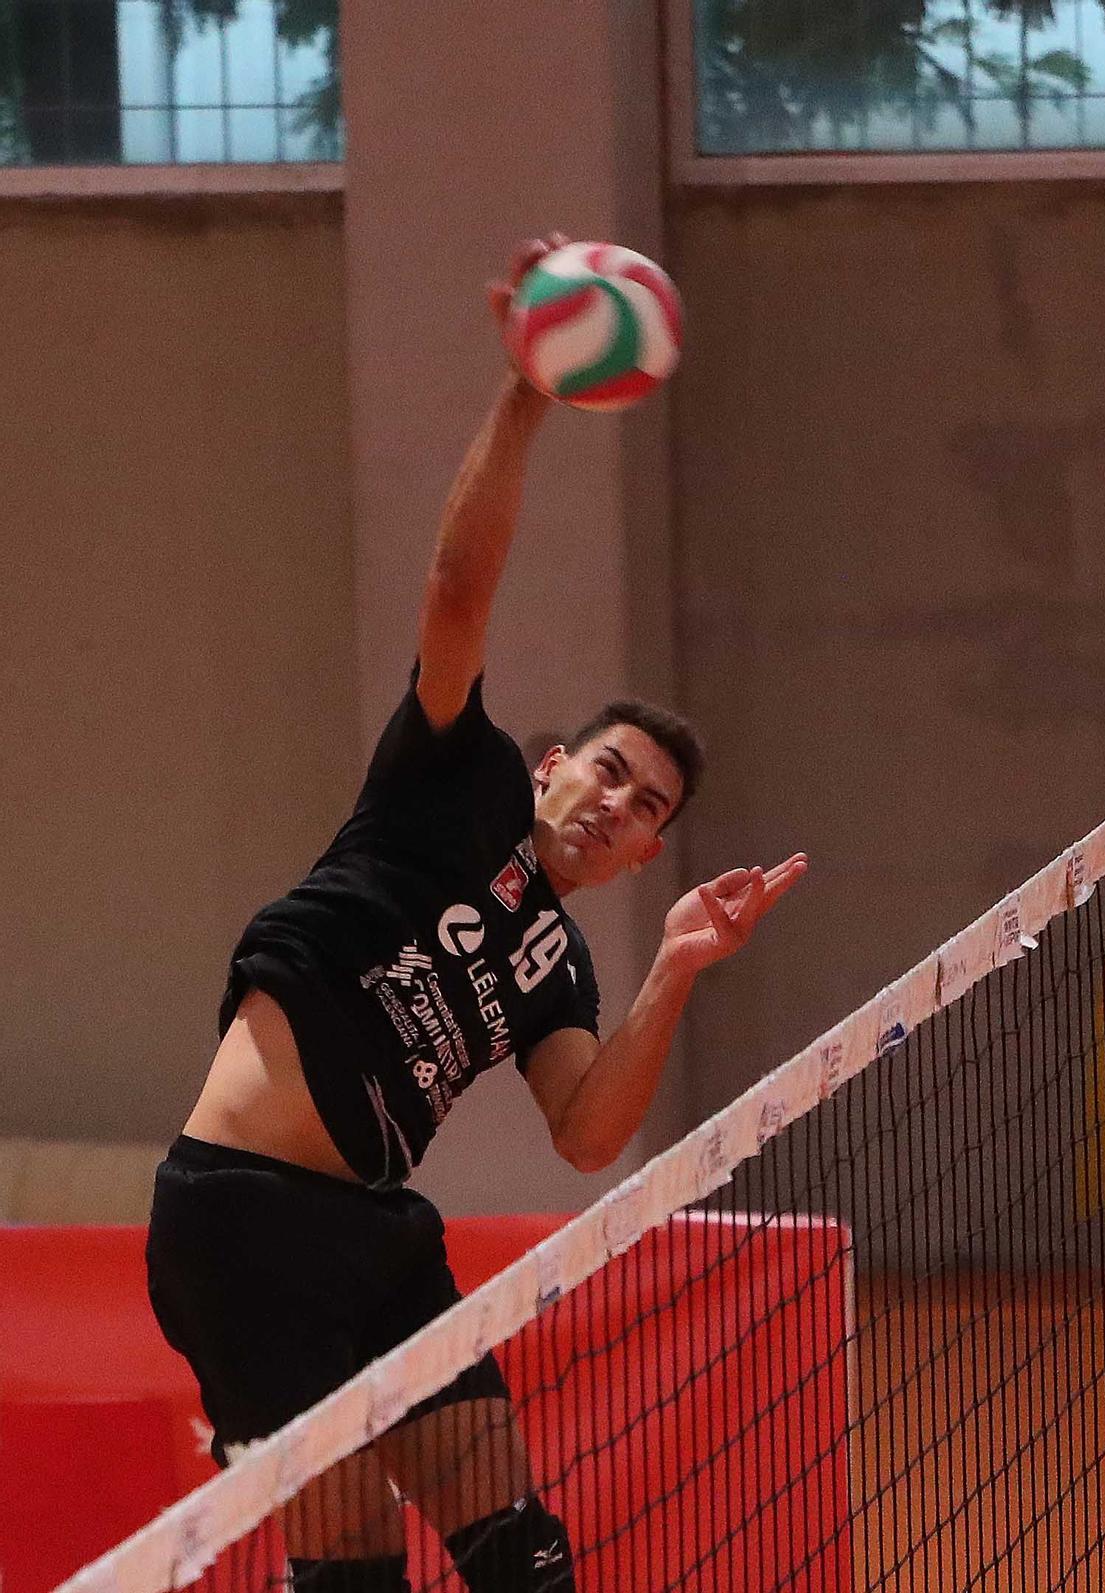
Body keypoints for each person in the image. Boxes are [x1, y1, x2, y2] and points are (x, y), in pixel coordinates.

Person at [144, 238, 808, 1593]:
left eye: (647, 811)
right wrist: (526, 396)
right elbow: (457, 595)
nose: (619, 806)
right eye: (611, 770)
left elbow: (586, 1136)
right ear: (556, 763)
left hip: (380, 1233)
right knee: (353, 1584)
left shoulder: (558, 968)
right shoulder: (457, 785)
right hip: (242, 1217)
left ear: (642, 858)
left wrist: (677, 968)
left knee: (526, 1563)